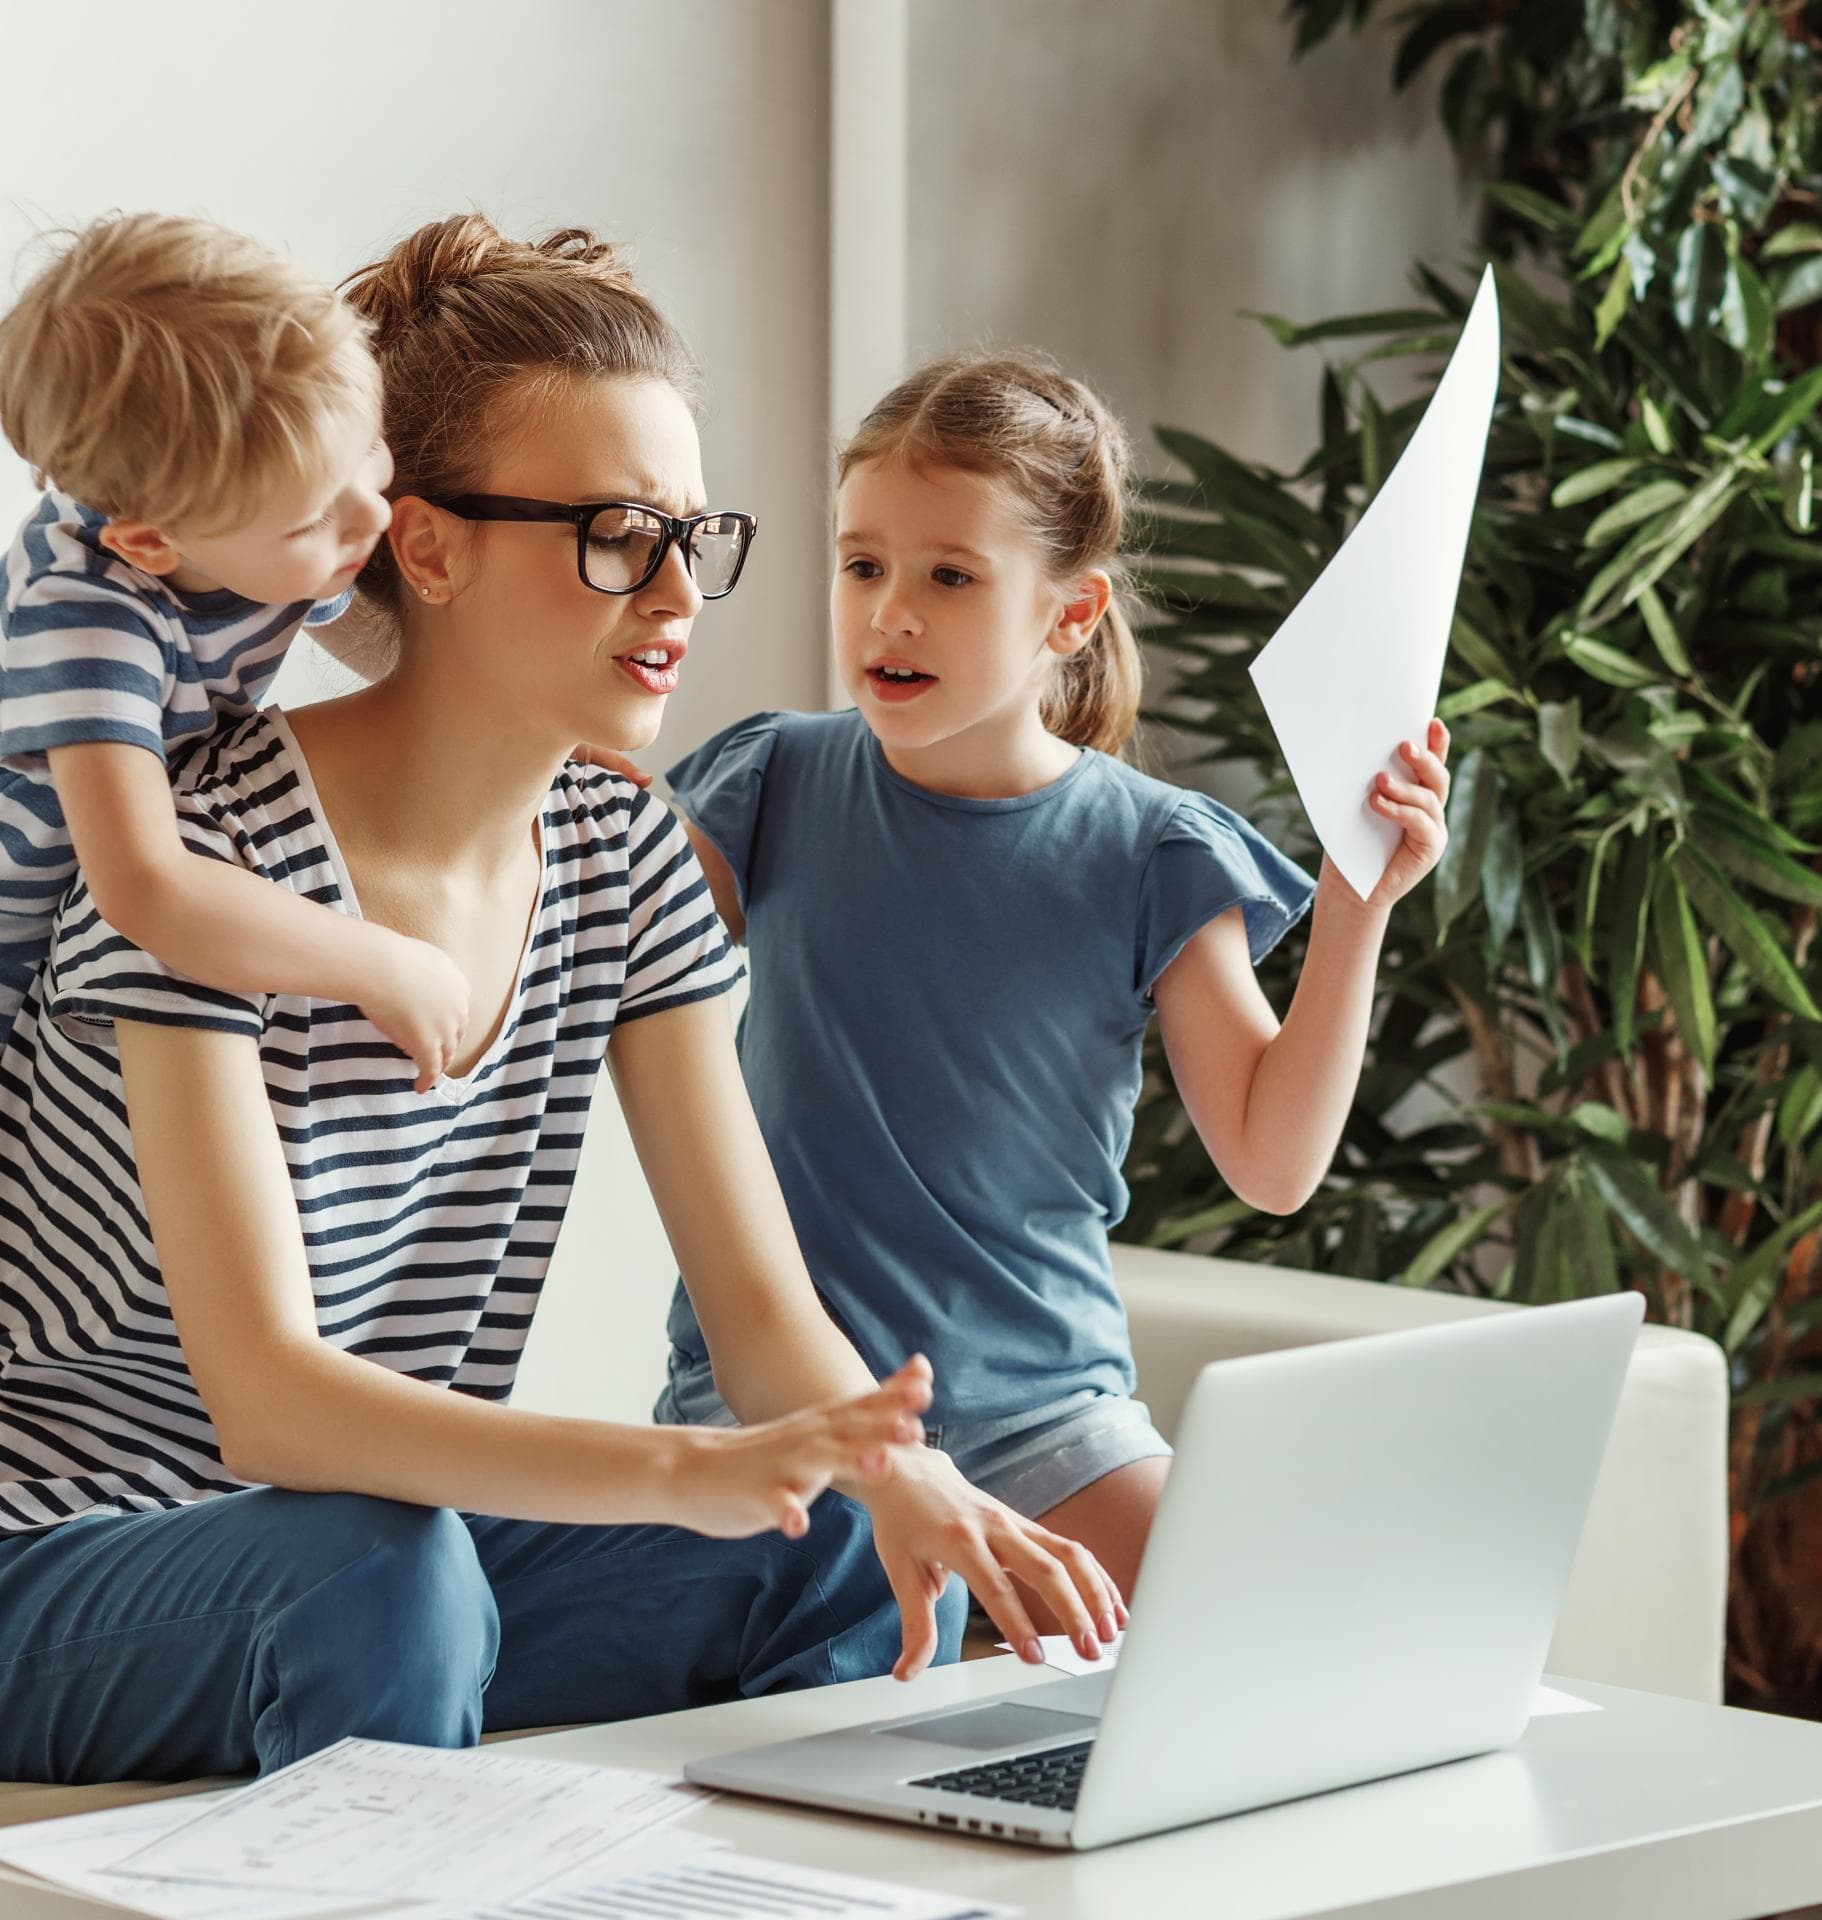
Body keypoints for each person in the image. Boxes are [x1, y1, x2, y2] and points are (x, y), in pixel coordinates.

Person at [0, 220, 1119, 1788]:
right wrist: (687, 1469)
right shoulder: (208, 856)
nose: (675, 592)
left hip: (393, 1554)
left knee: (826, 1544)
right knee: (376, 1574)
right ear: (430, 547)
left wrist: (898, 1475)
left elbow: (763, 1319)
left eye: (690, 532)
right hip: (71, 1556)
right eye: (610, 533)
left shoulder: (621, 850)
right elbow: (267, 1413)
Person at [661, 350, 1452, 1616]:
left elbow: (1271, 1161)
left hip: (1048, 1423)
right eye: (862, 565)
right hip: (787, 1420)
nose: (889, 614)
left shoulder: (1155, 852)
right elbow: (575, 972)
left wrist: (1359, 909)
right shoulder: (769, 787)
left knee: (1245, 1642)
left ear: (1069, 614)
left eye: (950, 577)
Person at [0, 211, 473, 1086]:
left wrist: (512, 714)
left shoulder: (275, 516)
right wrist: (379, 963)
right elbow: (146, 886)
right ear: (150, 545)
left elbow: (386, 643)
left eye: (368, 451)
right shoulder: (83, 613)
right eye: (312, 518)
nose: (371, 515)